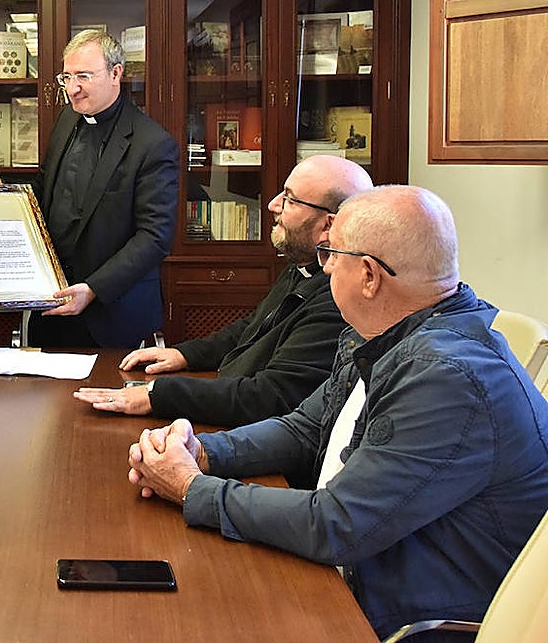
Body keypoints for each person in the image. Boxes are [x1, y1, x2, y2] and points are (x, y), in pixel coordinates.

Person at [124, 185, 548, 639]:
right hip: (363, 574)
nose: (323, 267)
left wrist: (191, 487)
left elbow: (338, 523)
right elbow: (306, 429)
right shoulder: (385, 333)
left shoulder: (446, 374)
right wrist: (203, 451)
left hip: (404, 618)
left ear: (368, 275)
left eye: (330, 254)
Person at [74, 154, 373, 426]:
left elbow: (271, 397)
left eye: (290, 200)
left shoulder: (338, 299)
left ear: (328, 226)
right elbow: (251, 328)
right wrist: (184, 354)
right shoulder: (305, 263)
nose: (273, 205)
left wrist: (157, 395)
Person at [0, 29, 179, 348]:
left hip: (112, 314)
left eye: (83, 76)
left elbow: (154, 237)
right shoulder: (67, 119)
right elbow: (46, 189)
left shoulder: (153, 144)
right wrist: (6, 191)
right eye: (66, 77)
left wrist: (93, 289)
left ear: (116, 73)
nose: (72, 89)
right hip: (52, 302)